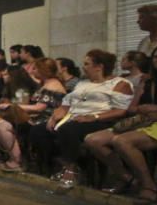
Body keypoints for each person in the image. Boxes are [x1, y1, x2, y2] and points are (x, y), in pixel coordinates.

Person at [30, 49, 133, 187]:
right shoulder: (82, 83)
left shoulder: (120, 84)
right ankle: (51, 166)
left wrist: (94, 117)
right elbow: (66, 103)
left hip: (100, 120)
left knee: (68, 129)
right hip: (74, 118)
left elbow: (121, 110)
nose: (83, 67)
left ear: (99, 66)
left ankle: (71, 170)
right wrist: (54, 117)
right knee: (39, 130)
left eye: (87, 64)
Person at [83, 43, 157, 202]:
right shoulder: (148, 82)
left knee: (122, 141)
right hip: (144, 122)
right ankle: (127, 178)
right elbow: (132, 108)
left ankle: (149, 186)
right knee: (93, 140)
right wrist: (145, 109)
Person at [0, 58, 65, 172]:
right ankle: (14, 157)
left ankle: (16, 160)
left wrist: (13, 106)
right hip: (33, 118)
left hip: (42, 121)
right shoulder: (45, 84)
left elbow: (39, 108)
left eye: (35, 68)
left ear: (43, 70)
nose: (32, 71)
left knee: (0, 125)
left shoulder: (52, 85)